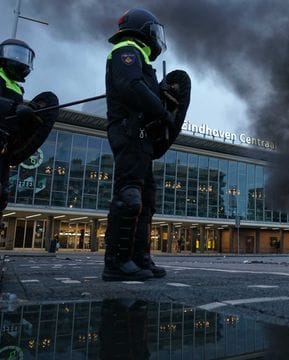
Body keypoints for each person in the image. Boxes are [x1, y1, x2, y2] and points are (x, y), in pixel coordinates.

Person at [103, 8, 190, 281]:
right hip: (129, 133)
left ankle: (139, 258)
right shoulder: (126, 50)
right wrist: (162, 112)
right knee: (129, 197)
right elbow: (132, 87)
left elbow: (143, 89)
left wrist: (163, 97)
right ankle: (117, 262)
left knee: (146, 200)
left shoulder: (138, 56)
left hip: (141, 137)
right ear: (144, 30)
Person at [0, 39, 58, 261]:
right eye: (15, 54)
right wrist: (16, 108)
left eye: (25, 56)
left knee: (0, 195)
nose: (20, 60)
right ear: (1, 55)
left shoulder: (16, 86)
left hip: (3, 147)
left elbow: (17, 122)